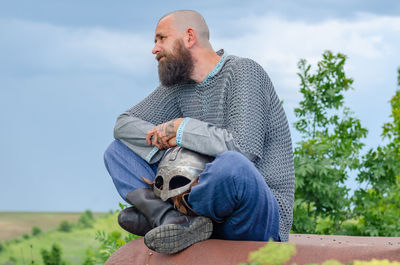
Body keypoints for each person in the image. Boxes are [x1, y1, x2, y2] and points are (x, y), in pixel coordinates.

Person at [104, 10, 294, 254]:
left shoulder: (244, 72)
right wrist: (168, 138)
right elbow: (123, 124)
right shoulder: (177, 87)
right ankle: (168, 218)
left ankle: (173, 215)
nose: (154, 49)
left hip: (256, 214)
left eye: (161, 38)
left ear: (189, 37)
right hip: (201, 213)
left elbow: (244, 149)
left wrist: (182, 129)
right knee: (117, 153)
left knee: (231, 164)